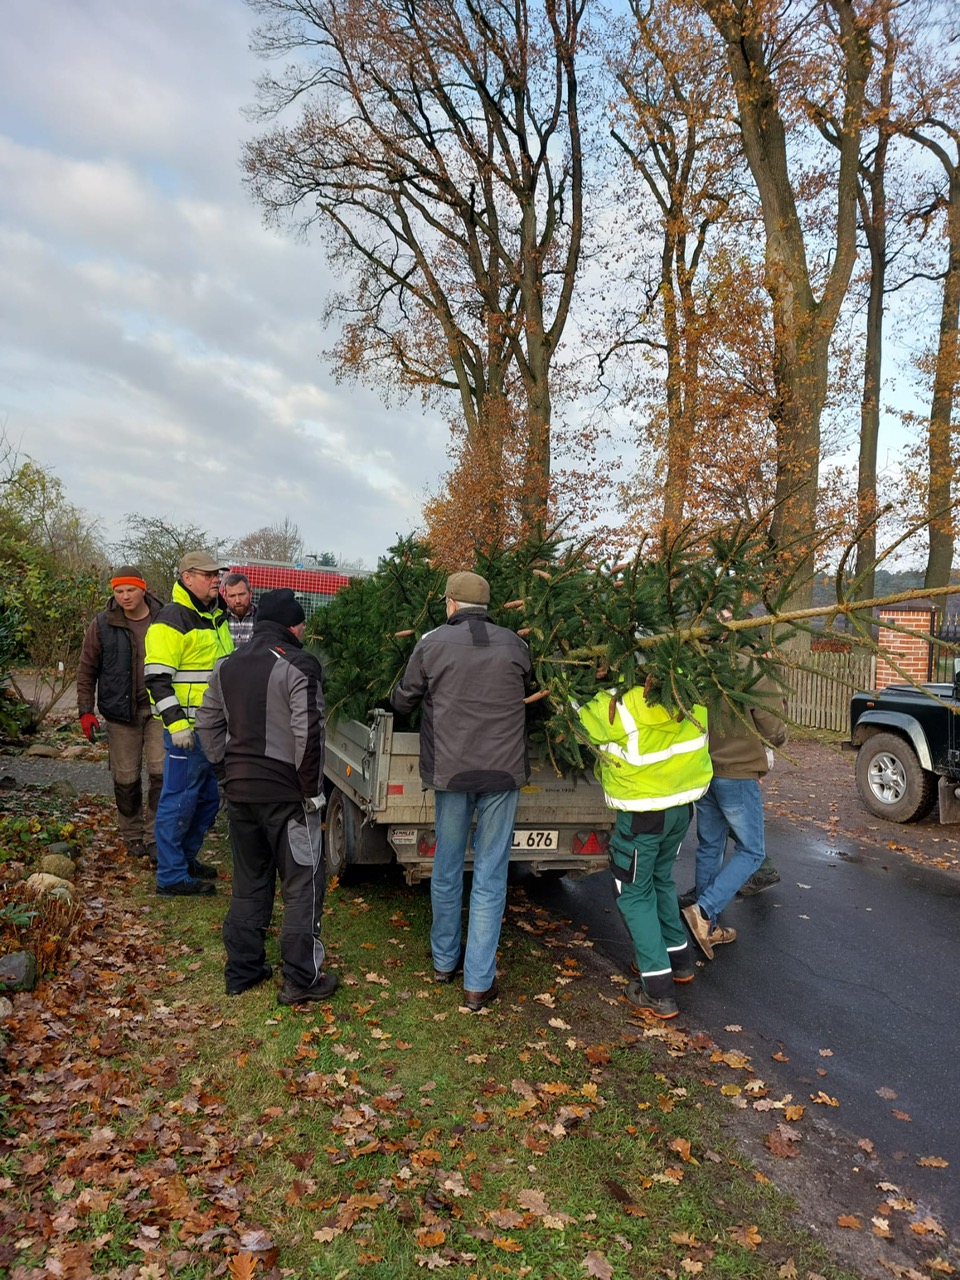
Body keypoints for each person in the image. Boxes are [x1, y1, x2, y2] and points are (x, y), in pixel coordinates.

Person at [391, 571, 534, 1012]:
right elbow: (531, 696)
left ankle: (443, 961)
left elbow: (403, 700)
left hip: (451, 775)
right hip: (503, 775)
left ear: (451, 604)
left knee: (448, 867)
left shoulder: (431, 643)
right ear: (486, 606)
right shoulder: (516, 644)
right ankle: (477, 984)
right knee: (491, 875)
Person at [196, 588, 336, 1002]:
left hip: (240, 796)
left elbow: (207, 725)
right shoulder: (299, 664)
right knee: (303, 883)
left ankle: (243, 970)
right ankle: (301, 979)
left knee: (249, 884)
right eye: (302, 625)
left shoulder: (227, 665)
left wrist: (227, 770)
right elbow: (308, 734)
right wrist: (310, 792)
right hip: (288, 798)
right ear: (294, 625)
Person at [578, 677, 712, 1020]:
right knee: (661, 881)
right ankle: (680, 961)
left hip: (641, 816)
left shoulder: (618, 704)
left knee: (633, 893)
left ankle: (657, 990)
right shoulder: (688, 692)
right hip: (681, 810)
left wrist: (563, 682)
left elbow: (577, 718)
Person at [145, 550, 234, 896]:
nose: (216, 579)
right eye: (208, 574)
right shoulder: (172, 619)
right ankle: (170, 875)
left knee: (208, 800)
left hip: (213, 729)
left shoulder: (215, 616)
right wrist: (176, 724)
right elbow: (156, 679)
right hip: (188, 732)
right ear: (187, 577)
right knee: (179, 800)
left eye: (217, 574)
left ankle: (183, 859)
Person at [681, 675, 788, 959]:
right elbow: (774, 725)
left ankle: (708, 927)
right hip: (738, 774)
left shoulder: (703, 661)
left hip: (705, 769)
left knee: (710, 846)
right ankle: (704, 911)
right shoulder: (751, 668)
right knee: (753, 851)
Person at [76, 566, 165, 860]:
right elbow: (87, 669)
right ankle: (132, 834)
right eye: (119, 591)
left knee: (161, 774)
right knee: (126, 779)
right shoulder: (103, 624)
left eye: (130, 590)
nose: (125, 596)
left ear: (144, 589)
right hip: (119, 713)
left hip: (159, 709)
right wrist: (85, 711)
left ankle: (155, 836)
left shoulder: (162, 618)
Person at [222, 572, 258, 645]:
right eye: (232, 596)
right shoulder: (219, 619)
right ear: (225, 597)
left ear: (250, 594)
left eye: (241, 594)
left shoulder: (261, 618)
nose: (238, 600)